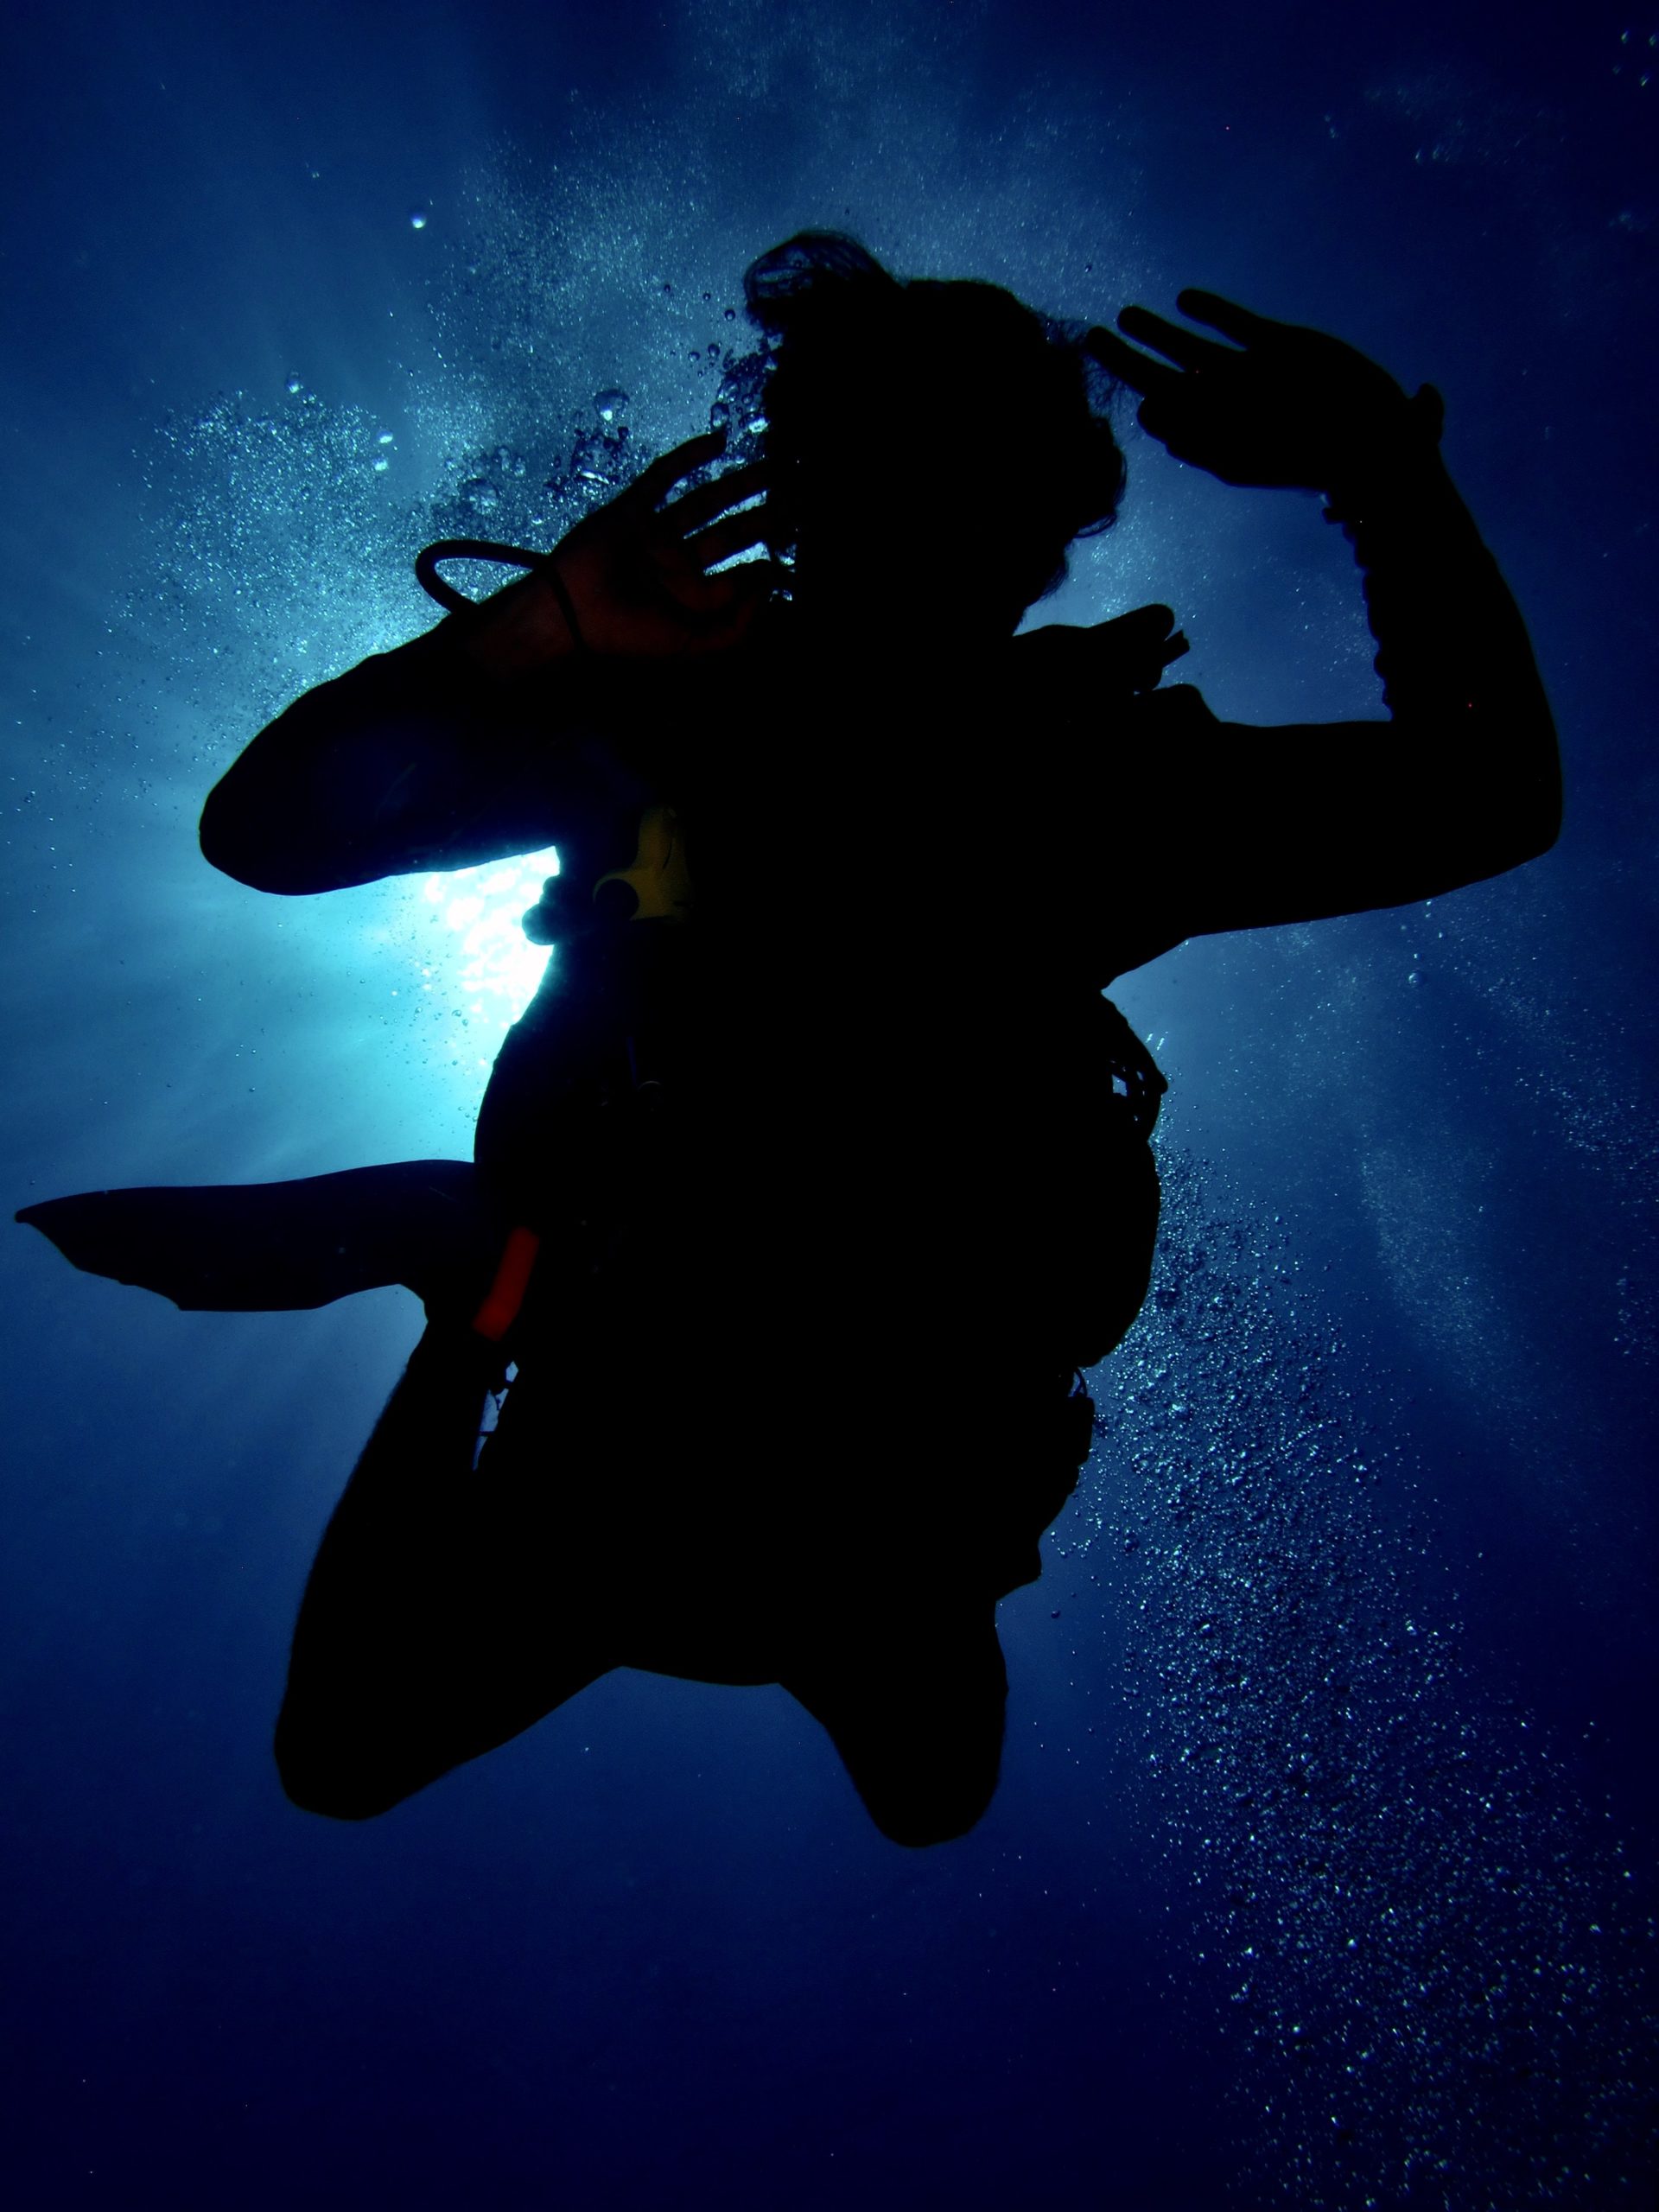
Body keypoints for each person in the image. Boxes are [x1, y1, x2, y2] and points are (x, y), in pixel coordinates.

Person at [20, 236, 1560, 1847]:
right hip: (703, 1389)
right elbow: (263, 834)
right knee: (826, 1780)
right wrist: (533, 633)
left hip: (811, 1432)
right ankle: (466, 1280)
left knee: (911, 1791)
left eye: (958, 485)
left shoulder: (1043, 770)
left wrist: (534, 638)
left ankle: (465, 1273)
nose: (918, 530)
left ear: (1029, 536)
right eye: (885, 473)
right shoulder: (733, 728)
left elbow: (1493, 804)